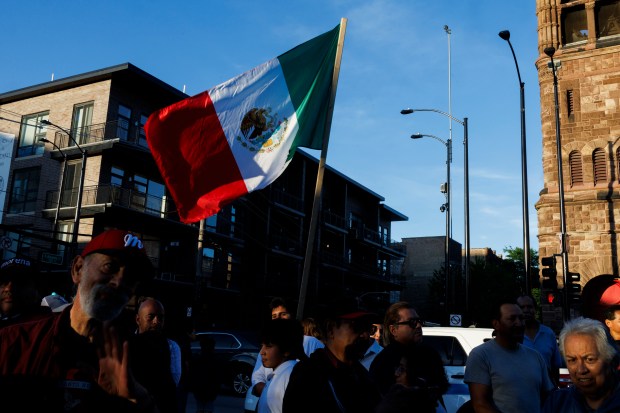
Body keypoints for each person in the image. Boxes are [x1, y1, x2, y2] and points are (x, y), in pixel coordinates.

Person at [0, 229, 158, 412]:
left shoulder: (143, 357)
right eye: (110, 267)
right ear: (78, 269)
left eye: (131, 277)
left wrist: (138, 399)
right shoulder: (13, 342)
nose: (120, 282)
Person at [464, 298, 554, 413]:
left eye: (521, 318)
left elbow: (548, 397)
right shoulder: (481, 355)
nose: (519, 323)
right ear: (496, 324)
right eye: (512, 319)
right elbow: (480, 404)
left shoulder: (535, 356)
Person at [282, 310, 381, 413]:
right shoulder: (309, 374)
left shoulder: (360, 374)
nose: (364, 335)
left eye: (368, 329)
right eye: (357, 327)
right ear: (330, 330)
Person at [542, 317, 620, 412]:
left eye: (589, 359)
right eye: (572, 360)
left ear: (611, 360)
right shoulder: (557, 403)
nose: (581, 370)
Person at [251, 298, 324, 398]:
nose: (278, 319)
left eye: (283, 314)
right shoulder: (265, 349)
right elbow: (257, 377)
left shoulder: (309, 341)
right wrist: (271, 393)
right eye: (274, 316)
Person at [132, 297, 179, 412]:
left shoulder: (171, 347)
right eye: (150, 317)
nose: (156, 321)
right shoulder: (127, 344)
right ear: (138, 319)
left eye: (161, 317)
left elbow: (174, 381)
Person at [369, 301, 424, 395]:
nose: (418, 326)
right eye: (412, 322)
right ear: (393, 330)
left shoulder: (423, 354)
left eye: (419, 321)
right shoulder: (385, 361)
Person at [375, 344, 449, 413]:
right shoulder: (434, 402)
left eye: (402, 369)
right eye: (398, 368)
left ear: (419, 377)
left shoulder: (399, 405)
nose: (396, 374)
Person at [257, 318, 305, 413]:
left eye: (268, 346)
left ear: (286, 350)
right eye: (261, 346)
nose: (262, 352)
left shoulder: (288, 377)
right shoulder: (282, 374)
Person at [517, 294, 563, 385]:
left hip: (547, 390)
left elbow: (556, 366)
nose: (526, 310)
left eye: (529, 307)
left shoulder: (548, 333)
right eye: (522, 307)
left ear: (535, 309)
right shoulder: (513, 335)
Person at [0, 257, 50, 328]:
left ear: (36, 289)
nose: (8, 288)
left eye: (19, 281)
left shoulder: (47, 328)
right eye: (4, 282)